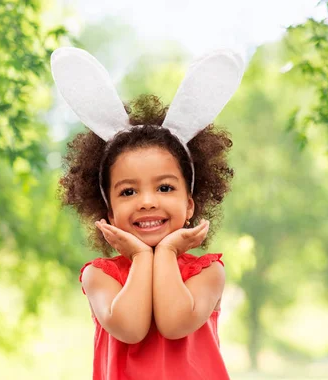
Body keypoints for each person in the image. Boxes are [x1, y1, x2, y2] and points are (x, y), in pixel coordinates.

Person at [51, 47, 243, 380]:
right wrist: (141, 258)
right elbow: (130, 328)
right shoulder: (99, 276)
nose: (147, 201)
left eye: (165, 188)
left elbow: (174, 323)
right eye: (128, 192)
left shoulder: (208, 273)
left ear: (190, 205)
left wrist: (166, 252)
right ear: (109, 213)